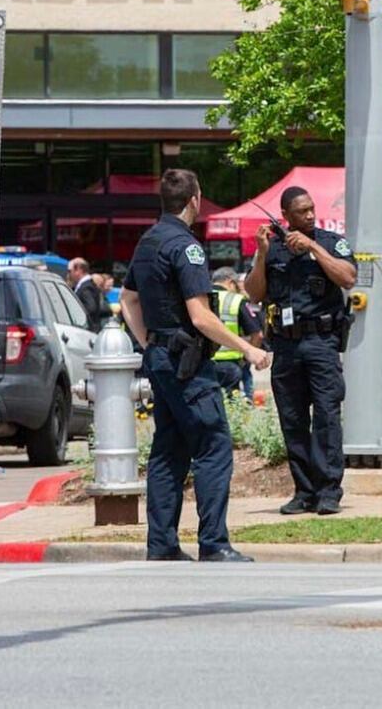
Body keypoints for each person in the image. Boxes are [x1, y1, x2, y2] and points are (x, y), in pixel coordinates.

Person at [119, 169, 271, 563]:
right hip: (186, 365)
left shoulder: (148, 241)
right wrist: (248, 349)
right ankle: (214, 543)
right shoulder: (186, 248)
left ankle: (162, 545)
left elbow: (127, 300)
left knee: (168, 450)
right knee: (213, 445)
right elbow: (201, 317)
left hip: (161, 359)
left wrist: (149, 343)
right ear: (194, 201)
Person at [244, 185, 358, 516]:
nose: (309, 215)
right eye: (301, 212)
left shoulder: (329, 242)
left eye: (311, 209)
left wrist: (313, 248)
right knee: (292, 419)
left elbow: (348, 277)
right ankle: (304, 491)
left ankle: (328, 491)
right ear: (286, 216)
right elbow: (254, 293)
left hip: (321, 342)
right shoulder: (273, 249)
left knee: (326, 416)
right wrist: (262, 254)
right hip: (286, 345)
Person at [211, 267, 264, 399]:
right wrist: (248, 357)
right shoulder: (236, 300)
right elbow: (257, 334)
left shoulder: (200, 298)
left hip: (202, 363)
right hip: (230, 363)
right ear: (230, 282)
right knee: (231, 403)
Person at [67, 257, 103, 331]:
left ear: (79, 270)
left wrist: (76, 315)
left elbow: (91, 308)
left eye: (70, 271)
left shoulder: (86, 287)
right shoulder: (86, 285)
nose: (69, 274)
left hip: (88, 330)